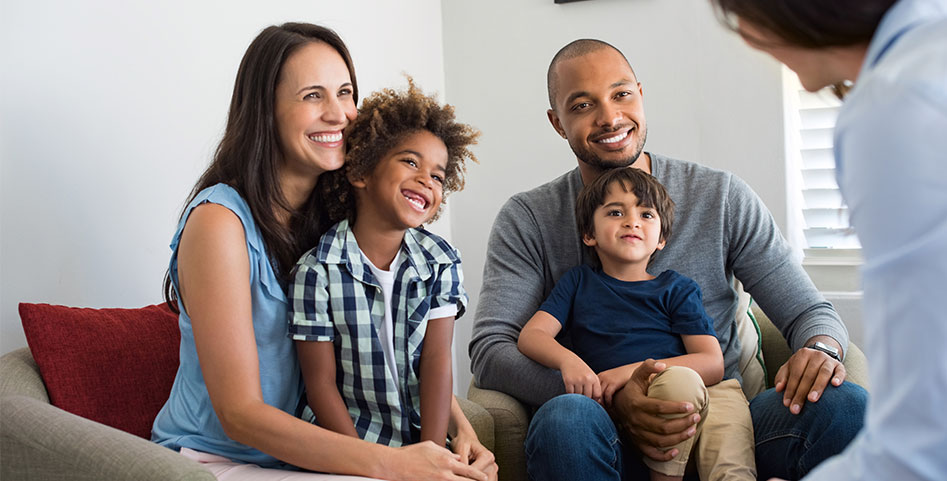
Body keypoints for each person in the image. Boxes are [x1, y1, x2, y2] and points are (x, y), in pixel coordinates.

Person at [468, 38, 867, 480]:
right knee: (566, 420)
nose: (610, 117)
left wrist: (820, 348)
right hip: (600, 427)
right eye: (582, 105)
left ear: (640, 94)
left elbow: (810, 312)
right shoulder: (529, 218)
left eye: (621, 95)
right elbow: (492, 350)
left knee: (847, 407)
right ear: (558, 123)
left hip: (719, 417)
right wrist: (612, 397)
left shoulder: (720, 197)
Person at [151, 23, 496, 481]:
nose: (339, 114)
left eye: (345, 92)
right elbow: (239, 413)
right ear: (265, 110)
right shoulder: (219, 223)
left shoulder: (339, 219)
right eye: (313, 96)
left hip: (310, 460)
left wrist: (460, 432)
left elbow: (394, 350)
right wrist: (394, 465)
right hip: (217, 461)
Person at [707, 0, 947, 479]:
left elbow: (920, 442)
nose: (745, 38)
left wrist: (823, 346)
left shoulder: (894, 107)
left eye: (738, 15)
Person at [517, 167, 755, 481]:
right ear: (589, 233)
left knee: (684, 387)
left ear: (662, 239)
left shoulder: (676, 288)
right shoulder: (577, 283)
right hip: (613, 424)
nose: (632, 221)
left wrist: (626, 373)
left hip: (686, 398)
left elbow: (711, 363)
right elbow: (532, 335)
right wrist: (568, 361)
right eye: (616, 212)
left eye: (646, 214)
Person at [288, 80, 479, 449]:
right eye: (410, 161)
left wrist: (433, 453)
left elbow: (437, 364)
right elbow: (320, 386)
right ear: (361, 172)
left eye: (438, 176)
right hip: (348, 447)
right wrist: (366, 464)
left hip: (420, 444)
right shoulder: (315, 273)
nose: (427, 179)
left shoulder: (441, 262)